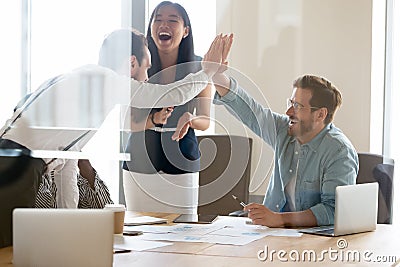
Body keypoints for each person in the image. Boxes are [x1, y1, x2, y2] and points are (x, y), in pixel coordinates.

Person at [0, 28, 229, 247]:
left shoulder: (83, 83)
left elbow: (67, 164)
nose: (147, 77)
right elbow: (168, 95)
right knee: (7, 251)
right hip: (16, 168)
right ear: (131, 63)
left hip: (13, 161)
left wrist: (68, 225)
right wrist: (207, 71)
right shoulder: (104, 81)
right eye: (146, 68)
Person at [208, 35, 358, 227]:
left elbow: (333, 211)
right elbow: (250, 110)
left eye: (297, 106)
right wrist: (215, 75)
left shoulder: (339, 151)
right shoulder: (284, 130)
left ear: (320, 114)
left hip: (312, 244)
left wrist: (279, 219)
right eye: (290, 103)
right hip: (269, 235)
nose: (288, 112)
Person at [122, 2, 212, 214]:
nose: (164, 25)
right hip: (139, 162)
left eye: (173, 20)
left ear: (186, 31)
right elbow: (127, 121)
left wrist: (191, 119)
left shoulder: (200, 69)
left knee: (183, 233)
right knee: (141, 237)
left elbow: (206, 121)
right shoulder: (137, 64)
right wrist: (154, 120)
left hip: (182, 162)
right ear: (151, 27)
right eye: (158, 19)